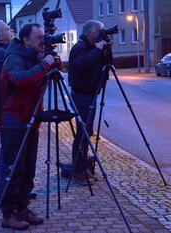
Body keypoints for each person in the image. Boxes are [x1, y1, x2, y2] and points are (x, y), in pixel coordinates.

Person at [0, 23, 54, 230]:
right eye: (38, 37)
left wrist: (49, 63)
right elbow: (21, 80)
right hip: (14, 121)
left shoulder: (34, 57)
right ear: (26, 40)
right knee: (14, 170)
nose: (43, 40)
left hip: (32, 119)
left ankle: (22, 208)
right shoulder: (14, 57)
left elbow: (41, 79)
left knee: (28, 169)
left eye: (43, 37)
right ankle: (7, 214)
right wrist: (44, 65)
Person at [0, 20, 38, 205]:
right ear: (0, 37)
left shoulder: (0, 53)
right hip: (12, 115)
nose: (12, 32)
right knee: (9, 161)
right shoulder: (7, 55)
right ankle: (4, 196)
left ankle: (16, 195)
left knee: (13, 159)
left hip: (14, 114)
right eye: (8, 30)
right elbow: (18, 80)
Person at [68, 20, 106, 185]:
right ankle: (78, 171)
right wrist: (98, 50)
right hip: (82, 95)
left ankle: (82, 167)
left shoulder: (91, 48)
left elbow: (106, 64)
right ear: (89, 33)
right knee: (83, 133)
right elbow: (83, 64)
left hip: (90, 94)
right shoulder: (80, 47)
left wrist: (105, 48)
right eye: (100, 31)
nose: (102, 34)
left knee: (87, 132)